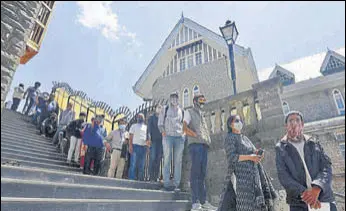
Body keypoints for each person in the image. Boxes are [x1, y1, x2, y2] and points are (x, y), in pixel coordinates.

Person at [275, 111, 336, 211]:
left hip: (323, 198)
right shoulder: (280, 148)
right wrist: (306, 194)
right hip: (298, 203)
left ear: (302, 125)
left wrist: (317, 188)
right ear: (286, 126)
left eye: (297, 120)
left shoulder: (313, 142)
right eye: (291, 121)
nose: (294, 123)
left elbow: (326, 166)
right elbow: (283, 176)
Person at [218, 114, 277, 211]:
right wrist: (250, 157)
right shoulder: (230, 137)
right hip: (241, 176)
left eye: (240, 120)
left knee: (256, 204)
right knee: (245, 204)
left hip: (253, 175)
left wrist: (258, 154)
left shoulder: (244, 138)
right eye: (236, 121)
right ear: (230, 124)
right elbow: (232, 157)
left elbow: (254, 151)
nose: (239, 123)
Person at [183, 94, 217, 211]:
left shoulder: (202, 114)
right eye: (200, 100)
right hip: (195, 145)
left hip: (204, 146)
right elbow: (184, 128)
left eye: (204, 99)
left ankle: (204, 201)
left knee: (202, 174)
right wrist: (195, 135)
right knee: (195, 173)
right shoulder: (189, 112)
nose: (202, 101)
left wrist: (207, 140)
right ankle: (195, 202)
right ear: (195, 101)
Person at [158, 92, 185, 192]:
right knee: (167, 159)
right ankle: (166, 183)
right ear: (170, 98)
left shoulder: (181, 111)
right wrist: (163, 133)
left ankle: (176, 184)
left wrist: (183, 135)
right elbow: (160, 123)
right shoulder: (164, 109)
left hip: (179, 138)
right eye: (172, 97)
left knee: (178, 161)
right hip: (168, 137)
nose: (174, 99)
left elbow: (184, 124)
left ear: (178, 99)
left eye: (176, 98)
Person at [128, 113, 148, 181]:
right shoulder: (133, 126)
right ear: (137, 118)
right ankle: (131, 179)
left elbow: (148, 138)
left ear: (144, 118)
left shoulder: (146, 127)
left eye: (141, 117)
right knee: (133, 164)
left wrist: (147, 147)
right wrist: (130, 146)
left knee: (142, 165)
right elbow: (130, 137)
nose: (140, 118)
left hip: (143, 147)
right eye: (139, 116)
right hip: (135, 147)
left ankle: (140, 179)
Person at [147, 104, 163, 182]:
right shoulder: (151, 118)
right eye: (158, 107)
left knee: (158, 159)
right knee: (152, 158)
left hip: (161, 142)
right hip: (153, 141)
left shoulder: (163, 118)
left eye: (161, 108)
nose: (159, 109)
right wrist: (149, 139)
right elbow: (149, 129)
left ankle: (156, 176)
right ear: (155, 108)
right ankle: (150, 176)